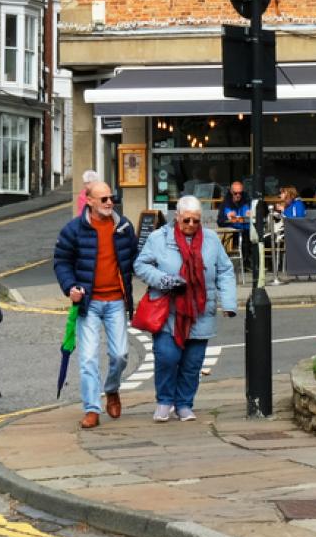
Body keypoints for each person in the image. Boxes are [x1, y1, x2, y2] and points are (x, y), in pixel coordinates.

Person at [133, 195, 238, 422]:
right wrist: (164, 280)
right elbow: (140, 265)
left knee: (192, 364)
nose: (191, 225)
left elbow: (225, 270)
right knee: (167, 357)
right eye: (186, 220)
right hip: (168, 309)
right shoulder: (158, 238)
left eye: (196, 221)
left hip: (201, 310)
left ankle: (184, 404)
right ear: (177, 217)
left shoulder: (211, 240)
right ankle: (164, 401)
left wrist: (228, 303)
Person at [53, 180, 138, 428]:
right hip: (89, 303)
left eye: (111, 198)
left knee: (121, 355)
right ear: (89, 201)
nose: (110, 202)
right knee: (88, 359)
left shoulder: (123, 227)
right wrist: (71, 287)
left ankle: (111, 389)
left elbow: (135, 259)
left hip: (116, 302)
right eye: (104, 199)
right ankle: (92, 409)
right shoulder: (73, 230)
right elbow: (61, 261)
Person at [219, 179, 255, 272]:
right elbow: (220, 221)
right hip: (232, 232)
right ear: (231, 192)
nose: (238, 195)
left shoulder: (247, 201)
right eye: (235, 193)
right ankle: (240, 264)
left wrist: (252, 213)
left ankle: (248, 263)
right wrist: (227, 216)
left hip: (246, 230)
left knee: (252, 236)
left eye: (240, 193)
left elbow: (259, 212)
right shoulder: (226, 203)